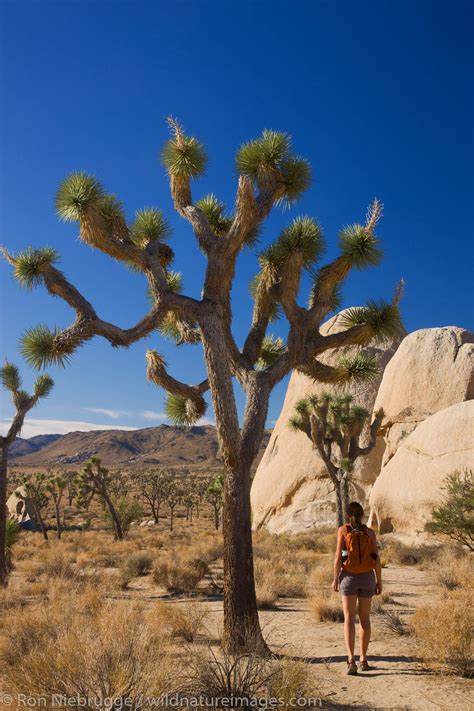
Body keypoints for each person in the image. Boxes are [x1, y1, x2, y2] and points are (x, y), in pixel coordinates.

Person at [332, 501, 382, 675]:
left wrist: (335, 579)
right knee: (365, 620)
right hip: (368, 577)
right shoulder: (369, 532)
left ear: (348, 515)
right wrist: (379, 580)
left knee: (348, 618)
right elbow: (376, 558)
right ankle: (363, 659)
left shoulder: (343, 530)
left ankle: (350, 659)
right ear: (362, 515)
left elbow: (339, 556)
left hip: (349, 578)